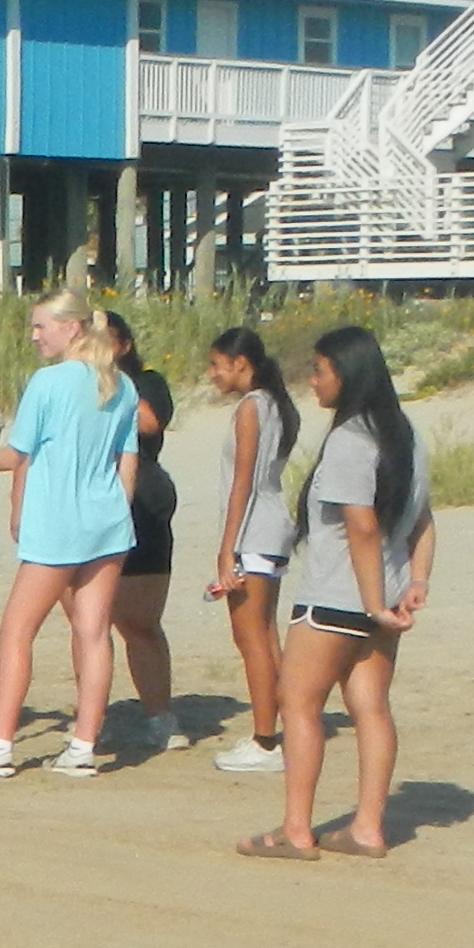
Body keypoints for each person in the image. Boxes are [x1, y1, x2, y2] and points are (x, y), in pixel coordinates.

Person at [243, 323, 434, 861]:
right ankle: (368, 827)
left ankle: (296, 828)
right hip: (387, 594)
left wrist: (371, 600)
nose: (314, 380)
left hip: (340, 596)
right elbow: (423, 522)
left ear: (346, 375)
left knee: (297, 703)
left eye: (320, 370)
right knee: (371, 707)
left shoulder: (353, 439)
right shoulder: (406, 432)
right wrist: (414, 583)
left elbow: (362, 526)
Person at [0, 293, 145, 778]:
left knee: (17, 630)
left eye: (41, 327)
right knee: (93, 634)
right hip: (107, 521)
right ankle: (83, 746)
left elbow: (14, 454)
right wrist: (119, 516)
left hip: (59, 523)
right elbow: (126, 463)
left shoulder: (50, 382)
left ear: (71, 328)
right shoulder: (121, 385)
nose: (34, 336)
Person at [195, 326, 302, 778]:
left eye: (219, 365)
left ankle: (266, 741)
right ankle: (282, 731)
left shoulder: (252, 407)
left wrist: (227, 550)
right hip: (270, 529)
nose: (213, 374)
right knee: (265, 636)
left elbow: (244, 482)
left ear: (242, 364)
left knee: (251, 638)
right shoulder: (276, 404)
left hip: (254, 532)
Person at [104, 309, 187, 756]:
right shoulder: (68, 383)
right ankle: (91, 717)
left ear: (124, 345)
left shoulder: (145, 381)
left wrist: (108, 387)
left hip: (143, 497)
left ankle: (160, 715)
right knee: (89, 621)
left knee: (139, 621)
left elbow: (151, 422)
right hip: (89, 494)